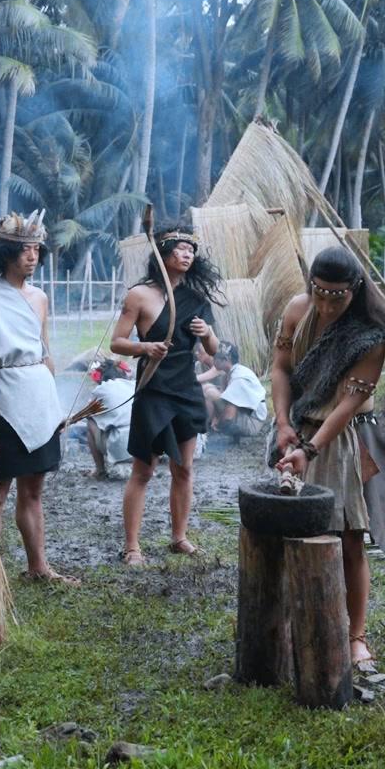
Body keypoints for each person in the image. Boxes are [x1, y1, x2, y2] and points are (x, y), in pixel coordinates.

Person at [271, 243, 385, 680]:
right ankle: (294, 626)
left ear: (355, 290)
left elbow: (348, 404)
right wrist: (282, 425)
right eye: (320, 294)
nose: (327, 306)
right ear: (310, 285)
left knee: (349, 537)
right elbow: (280, 368)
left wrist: (310, 450)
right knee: (294, 533)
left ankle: (355, 636)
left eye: (337, 297)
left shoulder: (371, 335)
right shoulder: (297, 309)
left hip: (346, 437)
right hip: (297, 430)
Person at [0, 210, 76, 584]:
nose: (32, 256)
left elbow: (44, 352)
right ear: (5, 254)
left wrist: (55, 406)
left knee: (34, 490)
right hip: (3, 403)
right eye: (25, 249)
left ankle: (38, 567)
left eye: (36, 249)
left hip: (38, 399)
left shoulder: (39, 298)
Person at [110, 225, 223, 564]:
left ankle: (179, 537)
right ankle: (132, 546)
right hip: (154, 388)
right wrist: (146, 347)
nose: (187, 254)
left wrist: (207, 332)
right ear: (163, 252)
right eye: (181, 248)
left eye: (191, 250)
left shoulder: (195, 298)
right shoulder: (139, 295)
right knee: (143, 471)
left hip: (186, 389)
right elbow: (117, 342)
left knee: (184, 468)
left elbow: (213, 350)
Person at [203, 343, 268, 438]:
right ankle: (206, 428)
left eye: (216, 358)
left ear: (226, 359)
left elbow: (229, 415)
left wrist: (218, 424)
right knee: (207, 387)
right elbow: (224, 399)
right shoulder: (230, 373)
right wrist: (216, 417)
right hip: (245, 414)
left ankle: (205, 431)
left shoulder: (238, 378)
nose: (213, 360)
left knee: (210, 393)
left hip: (252, 422)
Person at [85, 358, 136, 478]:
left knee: (91, 421)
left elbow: (87, 412)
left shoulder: (101, 389)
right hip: (143, 449)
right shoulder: (134, 385)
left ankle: (100, 470)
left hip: (121, 449)